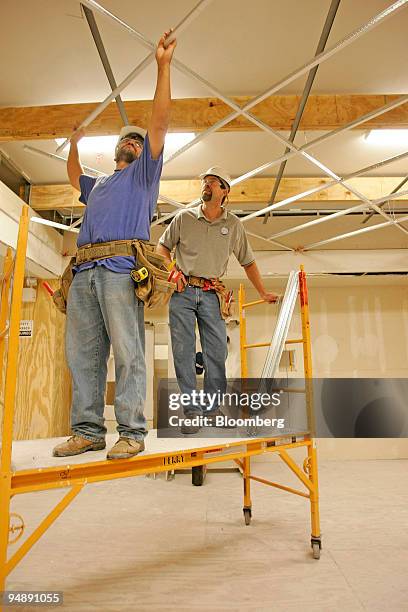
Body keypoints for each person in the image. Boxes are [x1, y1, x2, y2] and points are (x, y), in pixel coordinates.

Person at [53, 30, 176, 459]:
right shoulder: (100, 184)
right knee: (82, 355)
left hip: (121, 270)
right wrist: (72, 145)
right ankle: (87, 430)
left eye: (138, 141)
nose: (132, 140)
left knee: (127, 351)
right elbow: (73, 178)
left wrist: (163, 67)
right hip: (84, 272)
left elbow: (158, 122)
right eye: (126, 138)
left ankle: (131, 432)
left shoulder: (143, 177)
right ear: (115, 149)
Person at [156, 166, 279, 433]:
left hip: (212, 294)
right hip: (182, 291)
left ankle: (212, 409)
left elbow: (248, 261)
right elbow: (162, 248)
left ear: (225, 191)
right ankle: (192, 411)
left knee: (217, 352)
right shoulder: (184, 218)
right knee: (183, 351)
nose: (207, 185)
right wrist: (172, 270)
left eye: (213, 182)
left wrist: (261, 291)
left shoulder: (233, 225)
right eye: (205, 181)